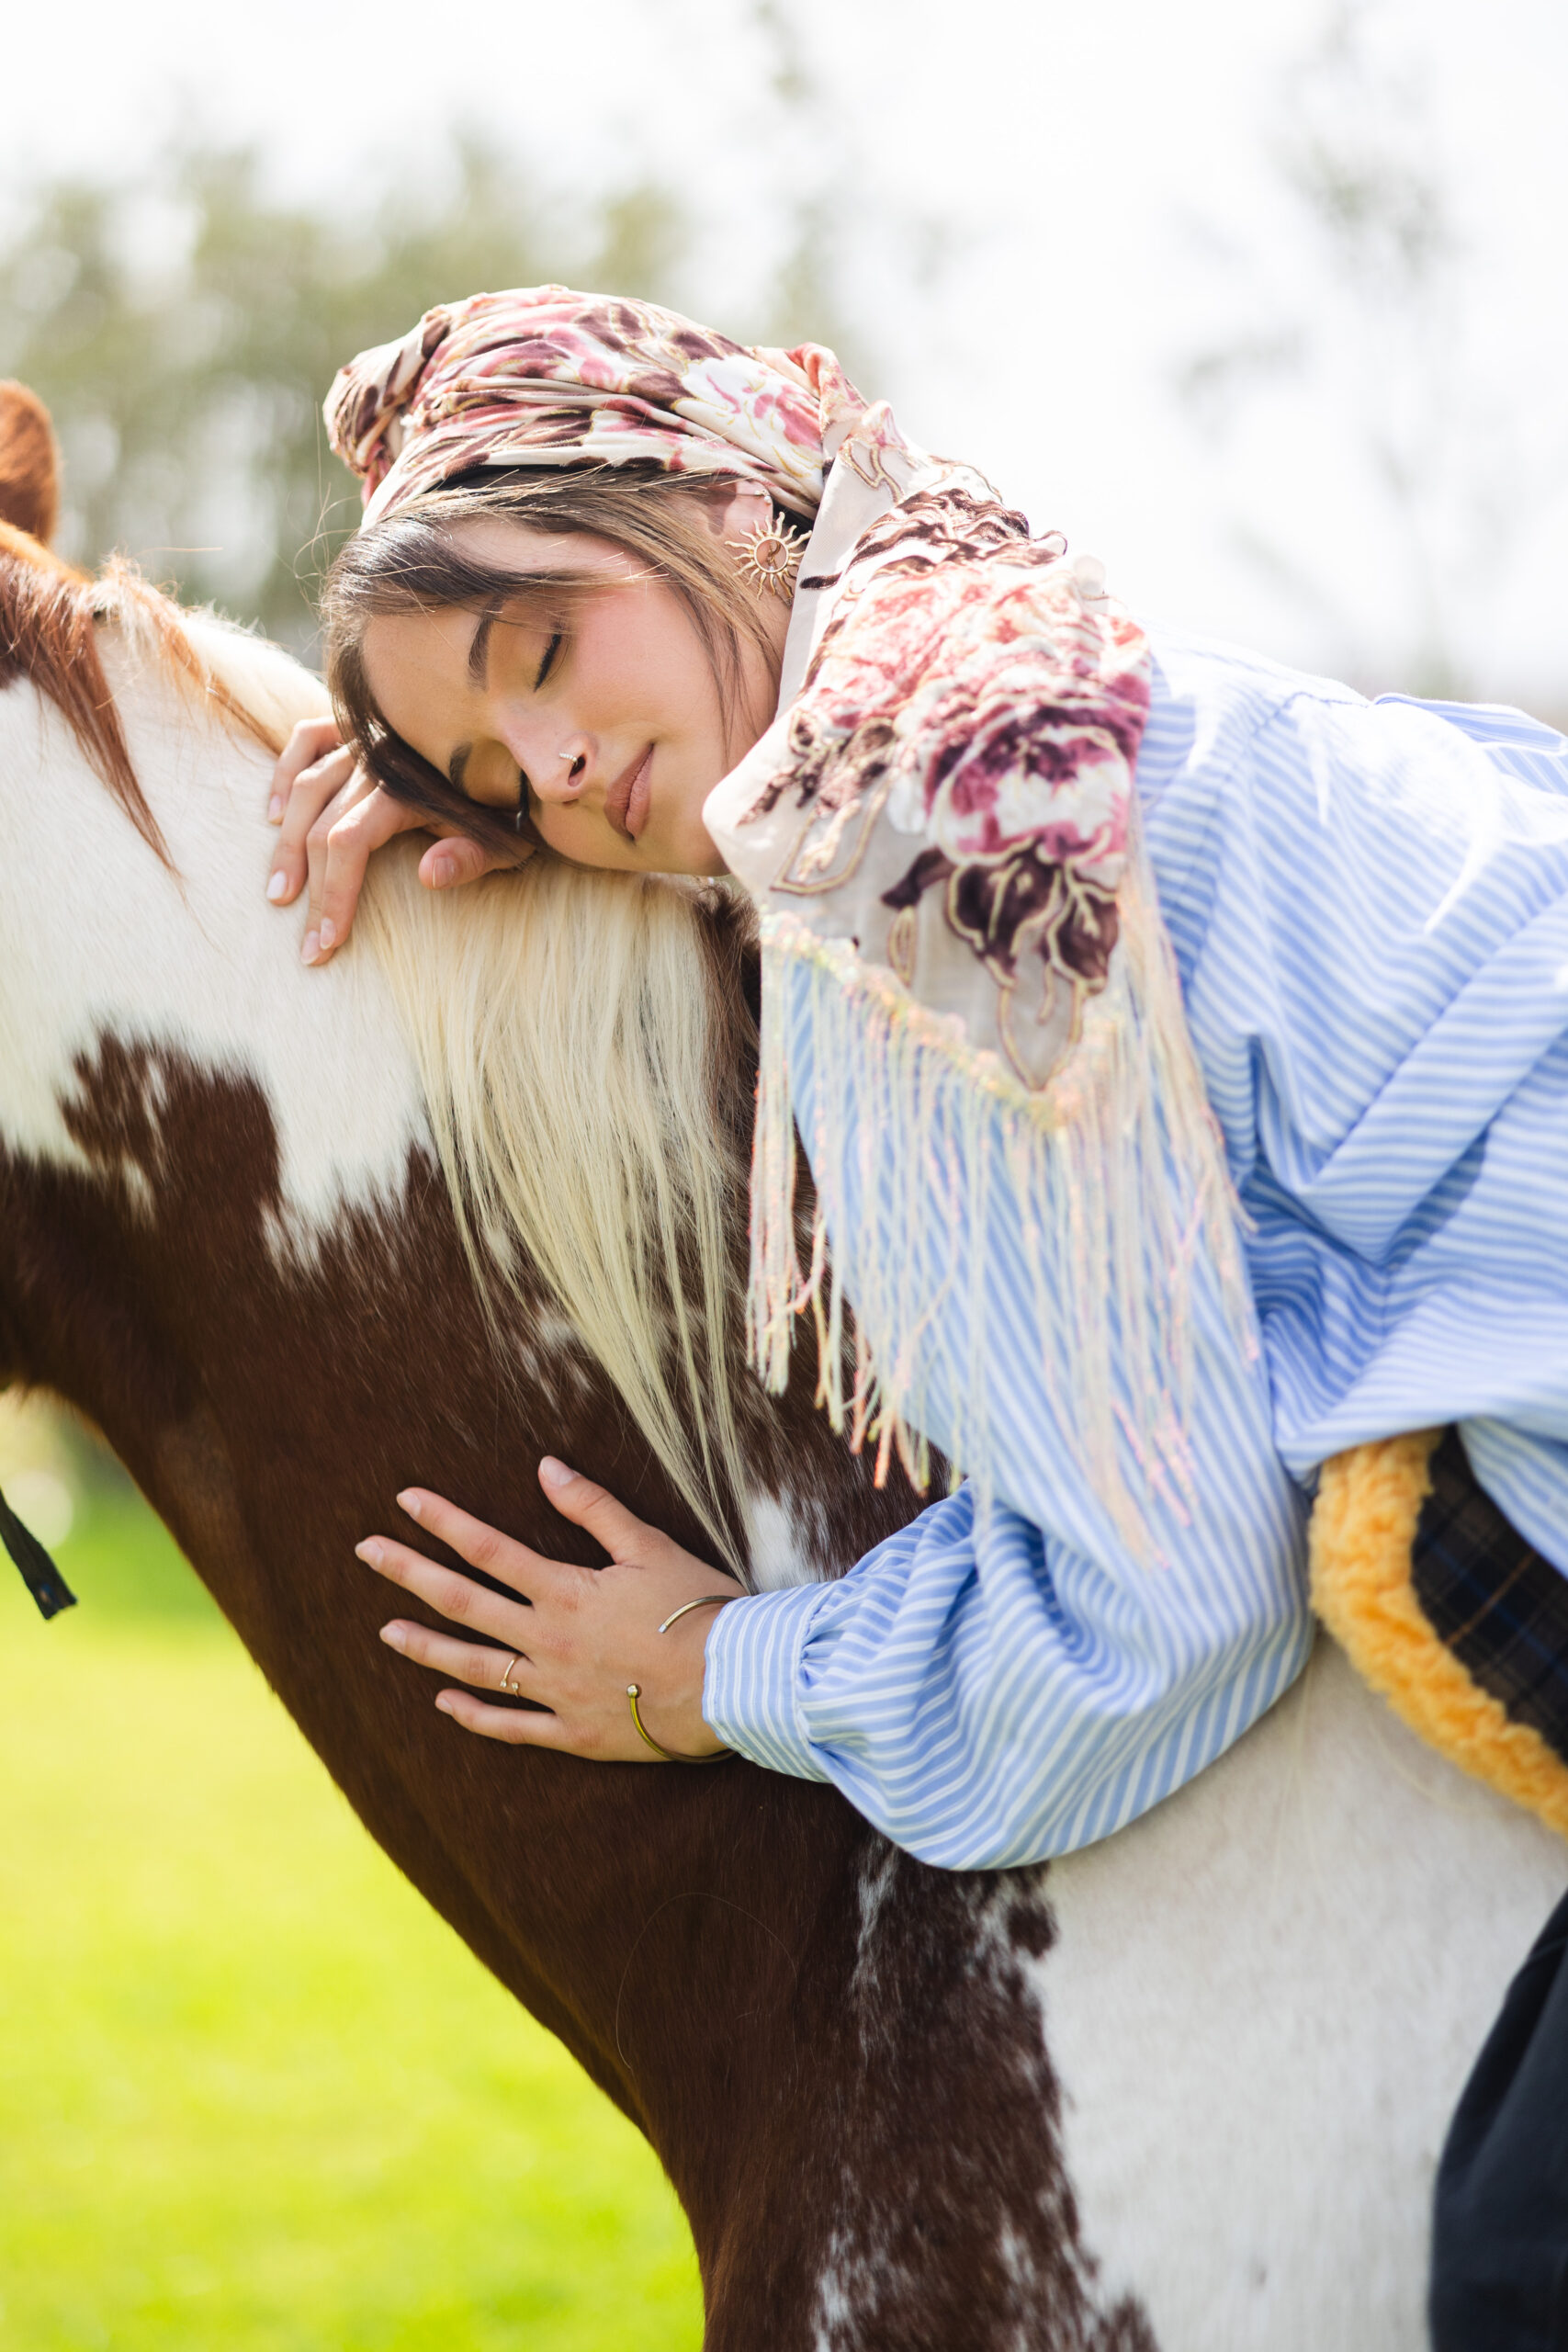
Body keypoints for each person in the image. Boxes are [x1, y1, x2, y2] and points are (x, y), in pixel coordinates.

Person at [270, 287, 1568, 2344]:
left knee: (1525, 2269)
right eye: (490, 781)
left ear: (710, 502)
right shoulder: (978, 629)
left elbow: (1156, 1596)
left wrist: (716, 1666)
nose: (555, 766)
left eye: (542, 654)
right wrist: (457, 740)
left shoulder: (904, 861)